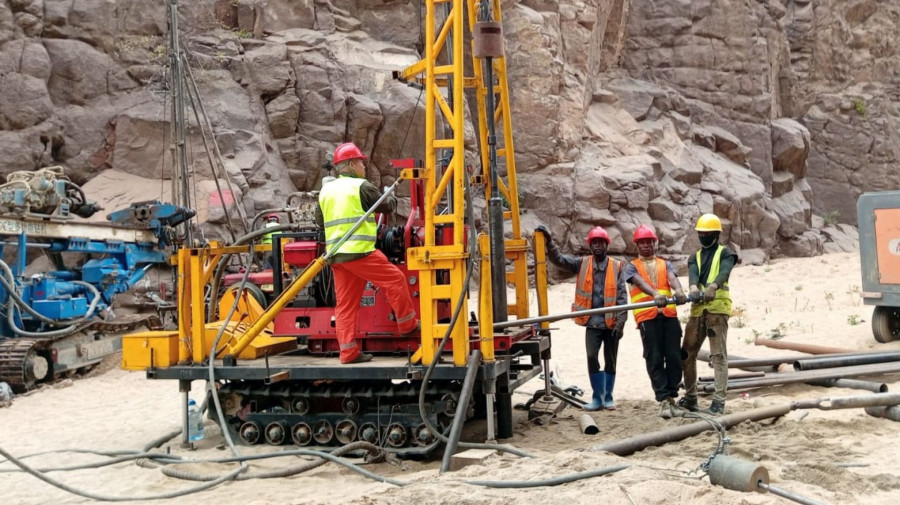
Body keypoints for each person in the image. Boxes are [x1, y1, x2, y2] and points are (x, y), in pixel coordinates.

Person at [315, 142, 419, 364]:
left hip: (337, 257)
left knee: (345, 306)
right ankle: (408, 324)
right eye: (361, 162)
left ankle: (348, 352)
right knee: (395, 279)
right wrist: (390, 196)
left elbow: (319, 222)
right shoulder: (361, 186)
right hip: (359, 253)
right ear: (351, 164)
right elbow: (387, 207)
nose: (363, 166)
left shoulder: (326, 191)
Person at [535, 225, 627, 411]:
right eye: (595, 243)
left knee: (611, 360)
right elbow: (559, 260)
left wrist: (621, 323)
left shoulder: (617, 266)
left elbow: (623, 297)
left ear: (606, 245)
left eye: (601, 242)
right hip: (592, 323)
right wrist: (549, 241)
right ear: (591, 246)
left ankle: (608, 396)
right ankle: (597, 397)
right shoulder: (582, 263)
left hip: (610, 324)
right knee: (592, 357)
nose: (598, 246)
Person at [624, 224, 688, 419]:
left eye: (649, 242)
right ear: (637, 245)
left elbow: (672, 278)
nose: (646, 246)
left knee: (675, 356)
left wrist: (678, 291)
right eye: (642, 243)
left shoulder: (664, 263)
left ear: (655, 243)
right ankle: (662, 399)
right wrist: (655, 294)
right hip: (647, 317)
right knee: (654, 358)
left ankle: (671, 397)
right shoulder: (632, 266)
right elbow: (639, 282)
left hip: (668, 315)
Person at [679, 213, 738, 415]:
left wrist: (713, 286)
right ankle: (690, 398)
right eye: (701, 233)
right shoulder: (693, 257)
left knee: (718, 355)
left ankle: (719, 402)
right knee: (686, 354)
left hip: (717, 310)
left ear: (715, 234)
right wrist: (693, 287)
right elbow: (693, 274)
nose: (703, 236)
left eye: (707, 233)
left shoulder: (726, 253)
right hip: (697, 311)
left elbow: (725, 271)